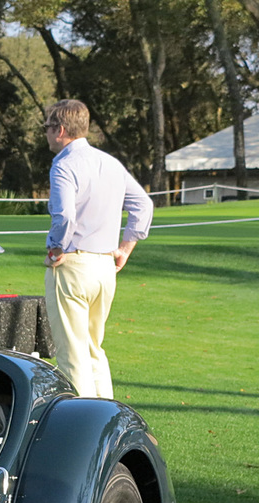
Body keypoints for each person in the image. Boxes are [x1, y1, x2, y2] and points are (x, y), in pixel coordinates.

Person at [42, 98, 153, 399]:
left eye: (48, 128)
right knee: (94, 351)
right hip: (105, 267)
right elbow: (143, 204)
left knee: (72, 355)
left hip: (73, 265)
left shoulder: (64, 164)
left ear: (60, 130)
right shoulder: (110, 163)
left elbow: (64, 215)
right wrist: (126, 247)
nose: (47, 134)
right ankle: (108, 427)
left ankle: (81, 433)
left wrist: (55, 247)